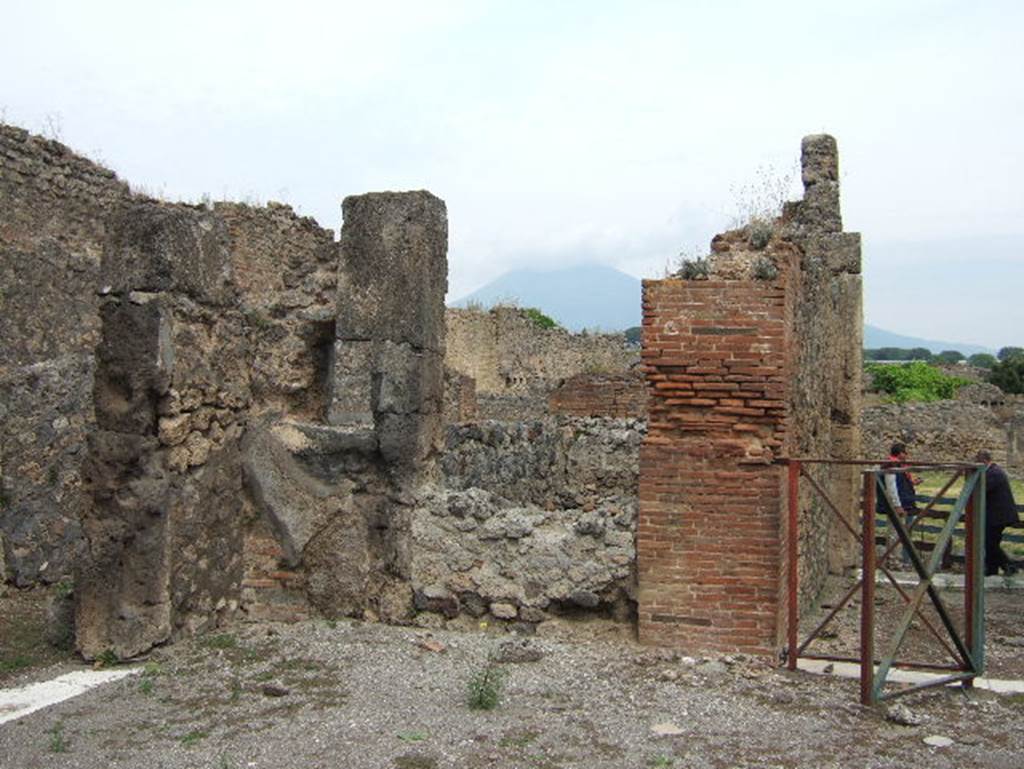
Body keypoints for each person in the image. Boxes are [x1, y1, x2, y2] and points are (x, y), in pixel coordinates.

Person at [975, 450, 1021, 576]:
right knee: (990, 543)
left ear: (984, 461)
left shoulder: (994, 473)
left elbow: (980, 489)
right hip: (995, 515)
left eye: (978, 462)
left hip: (998, 516)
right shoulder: (993, 471)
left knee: (990, 543)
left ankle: (1009, 566)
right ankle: (992, 570)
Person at [877, 442, 920, 567]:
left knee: (898, 532)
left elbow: (900, 484)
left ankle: (896, 559)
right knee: (895, 533)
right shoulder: (892, 466)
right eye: (904, 452)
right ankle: (893, 560)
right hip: (897, 505)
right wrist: (897, 505)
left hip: (902, 503)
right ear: (900, 453)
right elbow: (891, 487)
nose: (906, 455)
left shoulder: (898, 466)